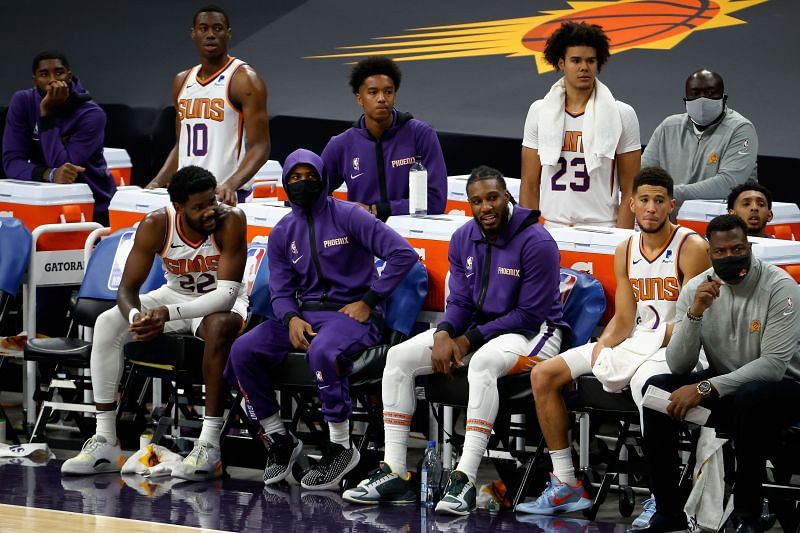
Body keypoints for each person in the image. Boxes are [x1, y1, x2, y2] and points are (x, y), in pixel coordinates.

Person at [343, 165, 568, 515]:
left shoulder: (537, 242)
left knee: (482, 364)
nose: (486, 207)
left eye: (492, 198)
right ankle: (395, 471)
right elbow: (461, 301)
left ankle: (464, 478)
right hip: (479, 330)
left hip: (537, 332)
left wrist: (465, 342)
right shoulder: (464, 238)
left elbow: (529, 314)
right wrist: (446, 333)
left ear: (507, 196)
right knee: (398, 358)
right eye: (477, 201)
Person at [521, 167, 710, 519]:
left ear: (671, 205)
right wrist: (603, 347)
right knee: (544, 374)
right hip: (639, 340)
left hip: (679, 346)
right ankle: (566, 484)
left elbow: (692, 321)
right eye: (644, 200)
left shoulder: (692, 246)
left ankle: (662, 495)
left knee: (647, 387)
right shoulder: (625, 249)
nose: (651, 208)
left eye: (658, 201)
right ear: (631, 204)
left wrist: (642, 347)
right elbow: (624, 318)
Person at [225, 149, 418, 491]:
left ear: (323, 177)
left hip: (351, 315)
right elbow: (281, 291)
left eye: (309, 176)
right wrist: (290, 320)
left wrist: (368, 300)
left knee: (323, 350)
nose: (303, 183)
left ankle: (341, 447)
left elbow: (403, 255)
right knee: (242, 350)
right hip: (306, 314)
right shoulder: (283, 232)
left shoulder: (349, 216)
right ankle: (279, 439)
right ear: (286, 184)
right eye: (295, 178)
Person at [61, 165, 249, 480]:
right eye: (198, 207)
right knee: (108, 322)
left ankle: (209, 445)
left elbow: (226, 296)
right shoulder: (156, 225)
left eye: (212, 201)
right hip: (173, 296)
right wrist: (137, 319)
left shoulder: (231, 221)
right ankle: (106, 441)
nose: (209, 212)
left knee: (218, 325)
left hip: (219, 303)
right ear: (178, 208)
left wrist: (166, 315)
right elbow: (127, 290)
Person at [636, 214, 800, 533]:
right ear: (710, 254)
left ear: (749, 247)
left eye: (737, 249)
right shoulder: (697, 289)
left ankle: (747, 514)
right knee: (656, 393)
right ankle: (669, 510)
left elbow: (773, 366)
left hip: (785, 390)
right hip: (729, 391)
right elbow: (680, 365)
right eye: (721, 252)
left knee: (751, 397)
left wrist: (706, 387)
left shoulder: (781, 287)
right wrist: (695, 314)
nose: (730, 257)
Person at [520, 22, 641, 229]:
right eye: (576, 60)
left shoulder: (622, 113)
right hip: (551, 227)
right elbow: (529, 184)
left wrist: (622, 239)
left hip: (604, 227)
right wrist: (529, 236)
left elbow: (630, 188)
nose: (584, 67)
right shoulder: (539, 111)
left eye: (591, 61)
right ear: (561, 63)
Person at [146, 5, 270, 205]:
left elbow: (260, 146)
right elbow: (181, 144)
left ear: (228, 34)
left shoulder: (244, 80)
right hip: (186, 196)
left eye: (218, 28)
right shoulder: (182, 81)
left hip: (223, 194)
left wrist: (232, 184)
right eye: (204, 28)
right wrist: (157, 181)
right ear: (193, 33)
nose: (211, 34)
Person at [321, 56, 447, 221]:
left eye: (388, 91)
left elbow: (436, 201)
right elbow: (316, 196)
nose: (382, 98)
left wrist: (376, 209)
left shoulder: (421, 134)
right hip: (361, 238)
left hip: (410, 239)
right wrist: (347, 211)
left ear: (395, 95)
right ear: (359, 98)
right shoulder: (341, 144)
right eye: (373, 92)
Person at [2, 50, 116, 225]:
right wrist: (48, 174)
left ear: (69, 76)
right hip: (44, 200)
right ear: (34, 80)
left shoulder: (92, 115)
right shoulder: (22, 102)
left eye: (59, 72)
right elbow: (11, 162)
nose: (53, 80)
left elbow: (64, 167)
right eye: (44, 74)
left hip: (93, 206)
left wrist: (47, 114)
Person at [641, 69, 758, 207]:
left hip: (722, 223)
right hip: (670, 222)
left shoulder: (741, 129)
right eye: (695, 94)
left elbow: (728, 184)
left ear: (724, 98)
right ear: (685, 101)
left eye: (710, 93)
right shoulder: (668, 127)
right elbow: (642, 174)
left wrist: (665, 193)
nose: (702, 100)